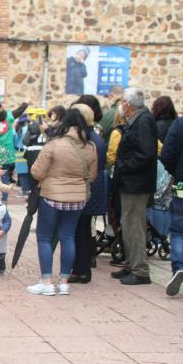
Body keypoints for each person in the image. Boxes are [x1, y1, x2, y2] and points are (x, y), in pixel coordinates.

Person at [29, 108, 97, 296]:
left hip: (51, 196)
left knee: (44, 238)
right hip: (77, 198)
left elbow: (37, 172)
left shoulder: (54, 144)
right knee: (68, 237)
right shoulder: (90, 146)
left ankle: (47, 282)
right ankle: (64, 282)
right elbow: (91, 176)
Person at [111, 88, 158, 285]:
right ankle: (131, 264)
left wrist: (123, 166)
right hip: (131, 181)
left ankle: (140, 270)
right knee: (128, 224)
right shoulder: (137, 120)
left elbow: (146, 153)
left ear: (128, 104)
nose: (121, 105)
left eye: (122, 101)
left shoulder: (144, 121)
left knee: (134, 225)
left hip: (136, 182)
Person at [68, 104, 107, 284]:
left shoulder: (89, 140)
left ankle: (81, 269)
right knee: (82, 231)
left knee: (80, 232)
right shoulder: (94, 137)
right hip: (91, 191)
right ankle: (81, 268)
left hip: (87, 191)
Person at [0, 96, 28, 202]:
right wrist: (25, 103)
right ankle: (4, 198)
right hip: (7, 152)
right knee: (5, 175)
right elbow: (19, 111)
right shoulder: (9, 116)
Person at [160, 115, 183, 295]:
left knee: (178, 229)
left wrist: (177, 172)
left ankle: (180, 266)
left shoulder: (180, 124)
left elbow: (167, 155)